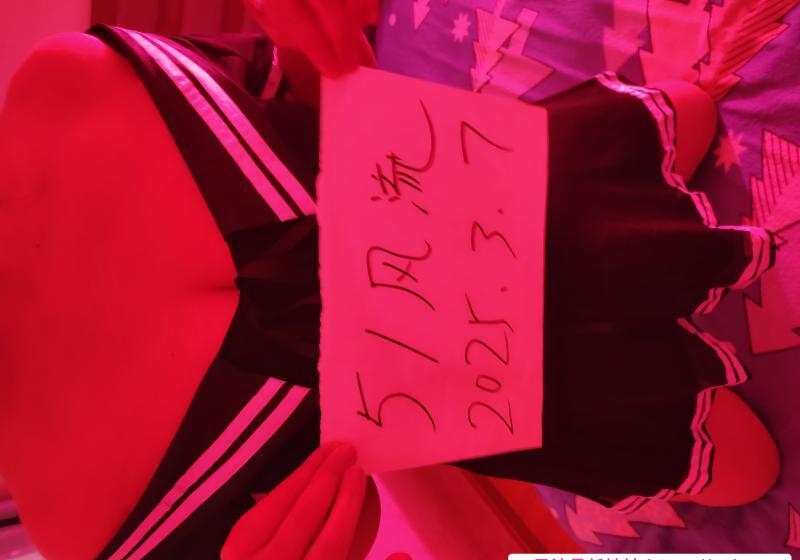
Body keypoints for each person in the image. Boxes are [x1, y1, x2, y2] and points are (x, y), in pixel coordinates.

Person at [0, 0, 780, 558]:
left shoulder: (71, 87)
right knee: (745, 469)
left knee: (677, 124)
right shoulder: (94, 527)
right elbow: (352, 514)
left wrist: (314, 38)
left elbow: (313, 77)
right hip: (573, 406)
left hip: (568, 180)